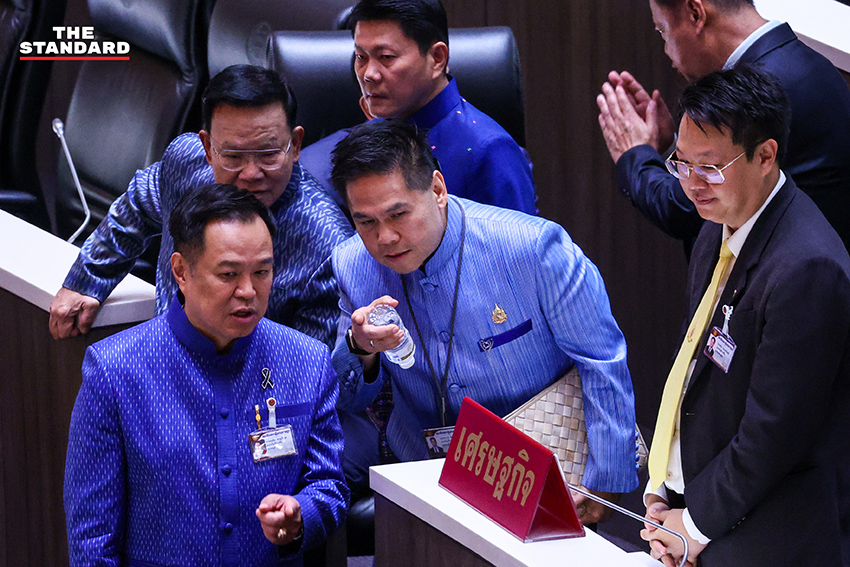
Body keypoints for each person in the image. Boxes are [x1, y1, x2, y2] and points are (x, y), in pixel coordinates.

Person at [331, 120, 639, 525]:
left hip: (545, 468)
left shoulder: (534, 249)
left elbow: (602, 361)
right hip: (428, 481)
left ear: (437, 190)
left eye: (398, 214)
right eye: (365, 222)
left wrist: (606, 482)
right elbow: (347, 399)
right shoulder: (352, 264)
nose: (384, 238)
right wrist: (360, 348)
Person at [64, 184, 349, 567]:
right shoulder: (115, 371)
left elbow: (329, 485)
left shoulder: (306, 361)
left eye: (262, 272)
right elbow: (93, 537)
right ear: (181, 271)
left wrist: (301, 516)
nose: (248, 291)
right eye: (228, 274)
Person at [640, 67, 850, 567]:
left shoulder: (808, 268)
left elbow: (773, 435)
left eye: (709, 167)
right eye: (680, 162)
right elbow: (695, 364)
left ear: (766, 156)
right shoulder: (719, 223)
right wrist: (663, 488)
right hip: (706, 508)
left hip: (775, 535)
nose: (691, 184)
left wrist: (693, 527)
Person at [49, 65, 353, 346]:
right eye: (233, 157)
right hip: (159, 364)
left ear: (296, 145)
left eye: (268, 154)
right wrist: (87, 279)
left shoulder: (328, 244)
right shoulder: (186, 163)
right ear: (207, 147)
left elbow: (307, 374)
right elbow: (139, 203)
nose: (251, 173)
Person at [596, 0, 850, 255]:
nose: (665, 49)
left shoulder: (759, 90)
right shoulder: (806, 62)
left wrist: (635, 153)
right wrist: (679, 146)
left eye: (663, 30)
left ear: (695, 13)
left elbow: (684, 209)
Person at [299, 0, 537, 215]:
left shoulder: (490, 152)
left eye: (386, 57)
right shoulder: (364, 136)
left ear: (437, 58)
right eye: (361, 57)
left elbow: (518, 258)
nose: (369, 74)